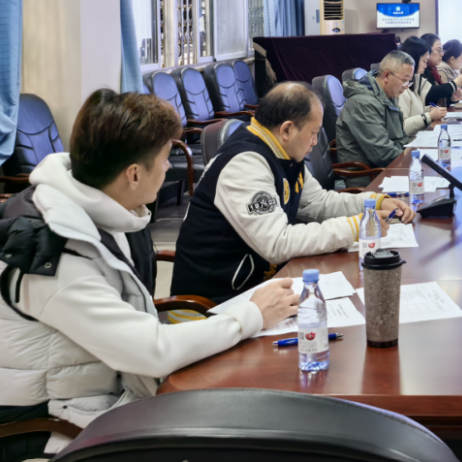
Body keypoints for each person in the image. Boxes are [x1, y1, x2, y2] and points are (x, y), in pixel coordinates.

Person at [0, 91, 299, 457]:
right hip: (41, 428)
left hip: (97, 398)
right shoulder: (55, 254)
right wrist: (252, 314)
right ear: (134, 174)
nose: (168, 168)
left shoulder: (106, 212)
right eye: (164, 159)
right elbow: (152, 352)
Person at [171, 82, 415, 303]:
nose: (315, 142)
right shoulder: (245, 164)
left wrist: (374, 203)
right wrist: (355, 227)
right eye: (313, 133)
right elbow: (278, 242)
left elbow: (318, 202)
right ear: (287, 130)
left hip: (259, 289)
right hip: (214, 302)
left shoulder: (281, 150)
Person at [336, 49, 417, 167]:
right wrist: (414, 159)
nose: (406, 87)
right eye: (404, 80)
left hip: (388, 166)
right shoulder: (362, 103)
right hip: (369, 174)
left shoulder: (389, 95)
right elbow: (382, 153)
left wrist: (410, 155)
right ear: (386, 75)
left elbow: (401, 138)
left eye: (409, 82)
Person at [397, 36, 448, 141]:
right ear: (414, 60)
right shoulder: (401, 88)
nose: (425, 66)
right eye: (424, 61)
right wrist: (429, 116)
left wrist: (429, 110)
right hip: (408, 144)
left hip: (417, 139)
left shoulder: (416, 82)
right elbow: (402, 127)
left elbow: (414, 111)